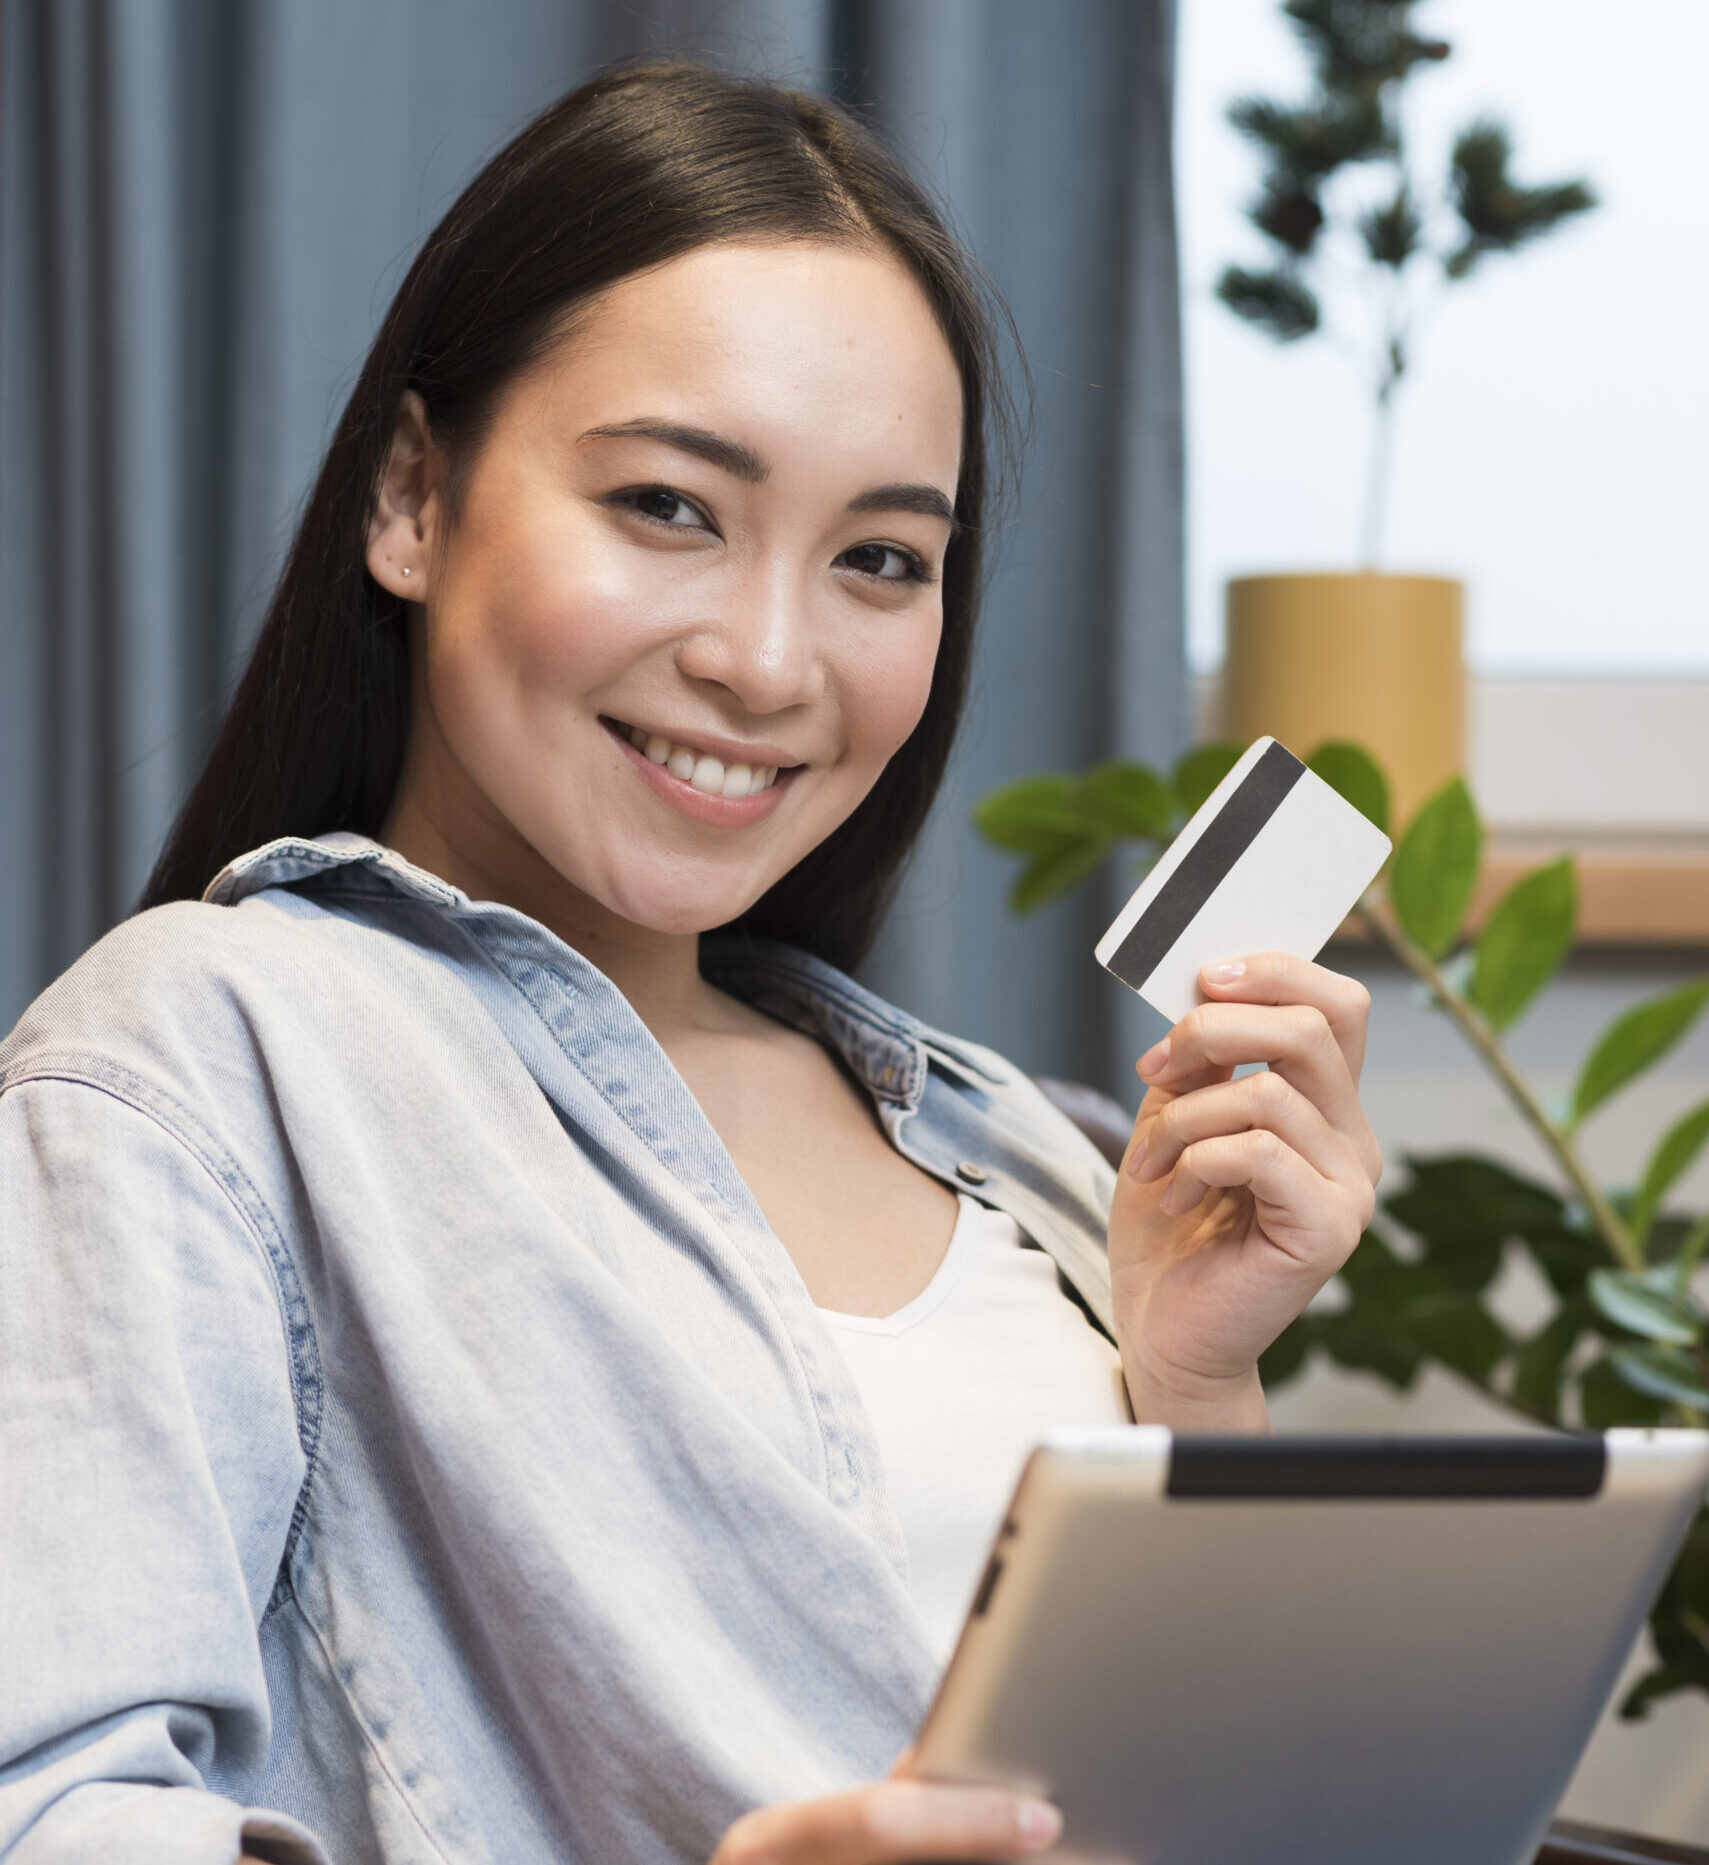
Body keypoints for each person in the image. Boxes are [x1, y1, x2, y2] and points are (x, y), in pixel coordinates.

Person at [0, 57, 1380, 1865]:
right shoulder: (199, 1057)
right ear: (411, 497)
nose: (767, 657)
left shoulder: (1038, 1161)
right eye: (668, 506)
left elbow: (1248, 1817)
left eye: (882, 556)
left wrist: (1193, 1390)